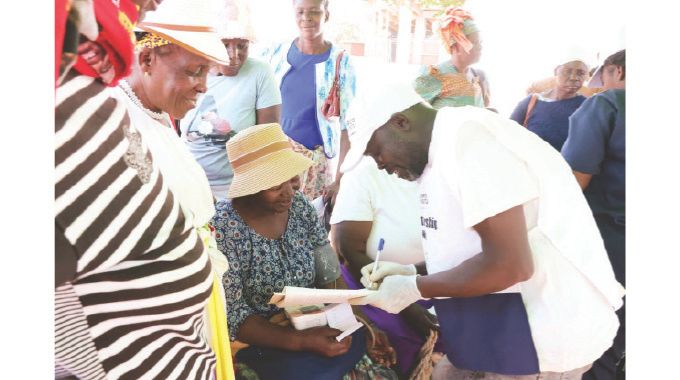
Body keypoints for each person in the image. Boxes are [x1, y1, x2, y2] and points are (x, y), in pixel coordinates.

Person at [340, 81, 624, 379]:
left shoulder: (469, 140)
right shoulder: (438, 150)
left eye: (376, 152)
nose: (380, 165)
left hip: (538, 330)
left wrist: (415, 287)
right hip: (496, 325)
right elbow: (468, 247)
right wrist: (412, 272)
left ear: (401, 122)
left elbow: (510, 264)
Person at [55, 0, 234, 378]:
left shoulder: (160, 117)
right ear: (148, 60)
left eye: (208, 73)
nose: (204, 85)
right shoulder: (112, 115)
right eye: (194, 71)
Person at [211, 123, 397, 380]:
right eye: (276, 186)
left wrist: (364, 325)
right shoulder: (223, 230)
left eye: (292, 179)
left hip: (313, 323)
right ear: (248, 189)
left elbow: (329, 274)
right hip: (264, 339)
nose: (289, 193)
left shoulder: (300, 208)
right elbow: (233, 315)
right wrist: (301, 341)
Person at [330, 157, 443, 378]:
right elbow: (348, 251)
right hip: (372, 287)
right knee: (391, 344)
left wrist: (415, 283)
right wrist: (407, 305)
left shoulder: (447, 169)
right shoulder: (364, 173)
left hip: (432, 283)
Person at [562, 49, 626, 380]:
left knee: (596, 346)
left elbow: (573, 182)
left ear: (614, 71)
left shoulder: (608, 105)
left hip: (611, 245)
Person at [180, 1, 281, 200]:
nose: (234, 55)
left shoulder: (260, 73)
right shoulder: (192, 69)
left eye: (242, 46)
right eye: (225, 45)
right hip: (192, 185)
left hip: (238, 192)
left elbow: (268, 137)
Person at [259, 0, 357, 204]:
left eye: (314, 12)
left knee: (311, 228)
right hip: (278, 163)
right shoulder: (274, 54)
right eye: (300, 12)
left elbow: (349, 128)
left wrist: (340, 180)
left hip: (317, 168)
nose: (306, 18)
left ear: (326, 14)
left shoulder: (340, 62)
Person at [413, 6, 491, 109]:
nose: (480, 47)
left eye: (480, 42)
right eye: (475, 42)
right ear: (456, 46)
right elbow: (411, 112)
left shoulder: (479, 77)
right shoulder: (433, 75)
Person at [510, 54, 590, 151]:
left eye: (581, 73)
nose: (574, 77)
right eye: (567, 71)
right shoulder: (531, 102)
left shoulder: (588, 107)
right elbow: (508, 133)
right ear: (556, 71)